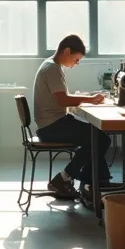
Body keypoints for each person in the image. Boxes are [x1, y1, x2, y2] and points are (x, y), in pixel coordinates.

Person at [31, 34, 112, 206]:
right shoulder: (52, 68)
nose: (76, 64)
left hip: (51, 124)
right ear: (67, 51)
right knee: (100, 138)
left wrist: (86, 98)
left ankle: (85, 182)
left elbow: (62, 97)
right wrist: (90, 99)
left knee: (96, 136)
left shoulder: (50, 65)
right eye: (76, 59)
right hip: (52, 127)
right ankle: (80, 182)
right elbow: (63, 100)